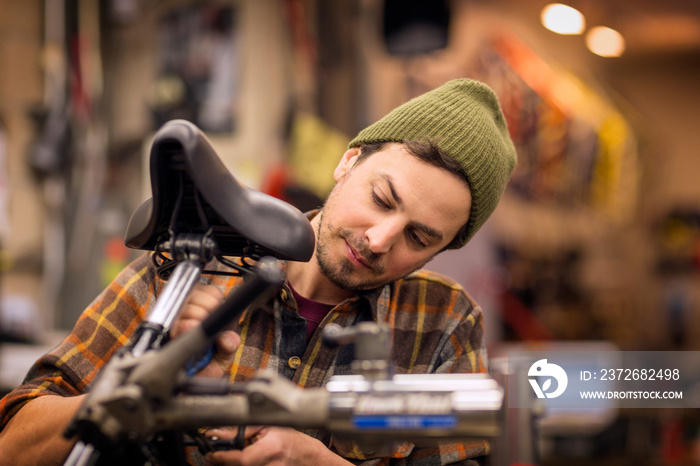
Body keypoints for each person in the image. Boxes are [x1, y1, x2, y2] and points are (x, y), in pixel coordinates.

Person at [0, 78, 517, 465]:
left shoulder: (444, 320)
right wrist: (128, 397)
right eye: (381, 199)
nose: (380, 240)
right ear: (348, 162)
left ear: (442, 249)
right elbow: (12, 445)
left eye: (419, 237)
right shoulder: (185, 270)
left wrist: (317, 461)